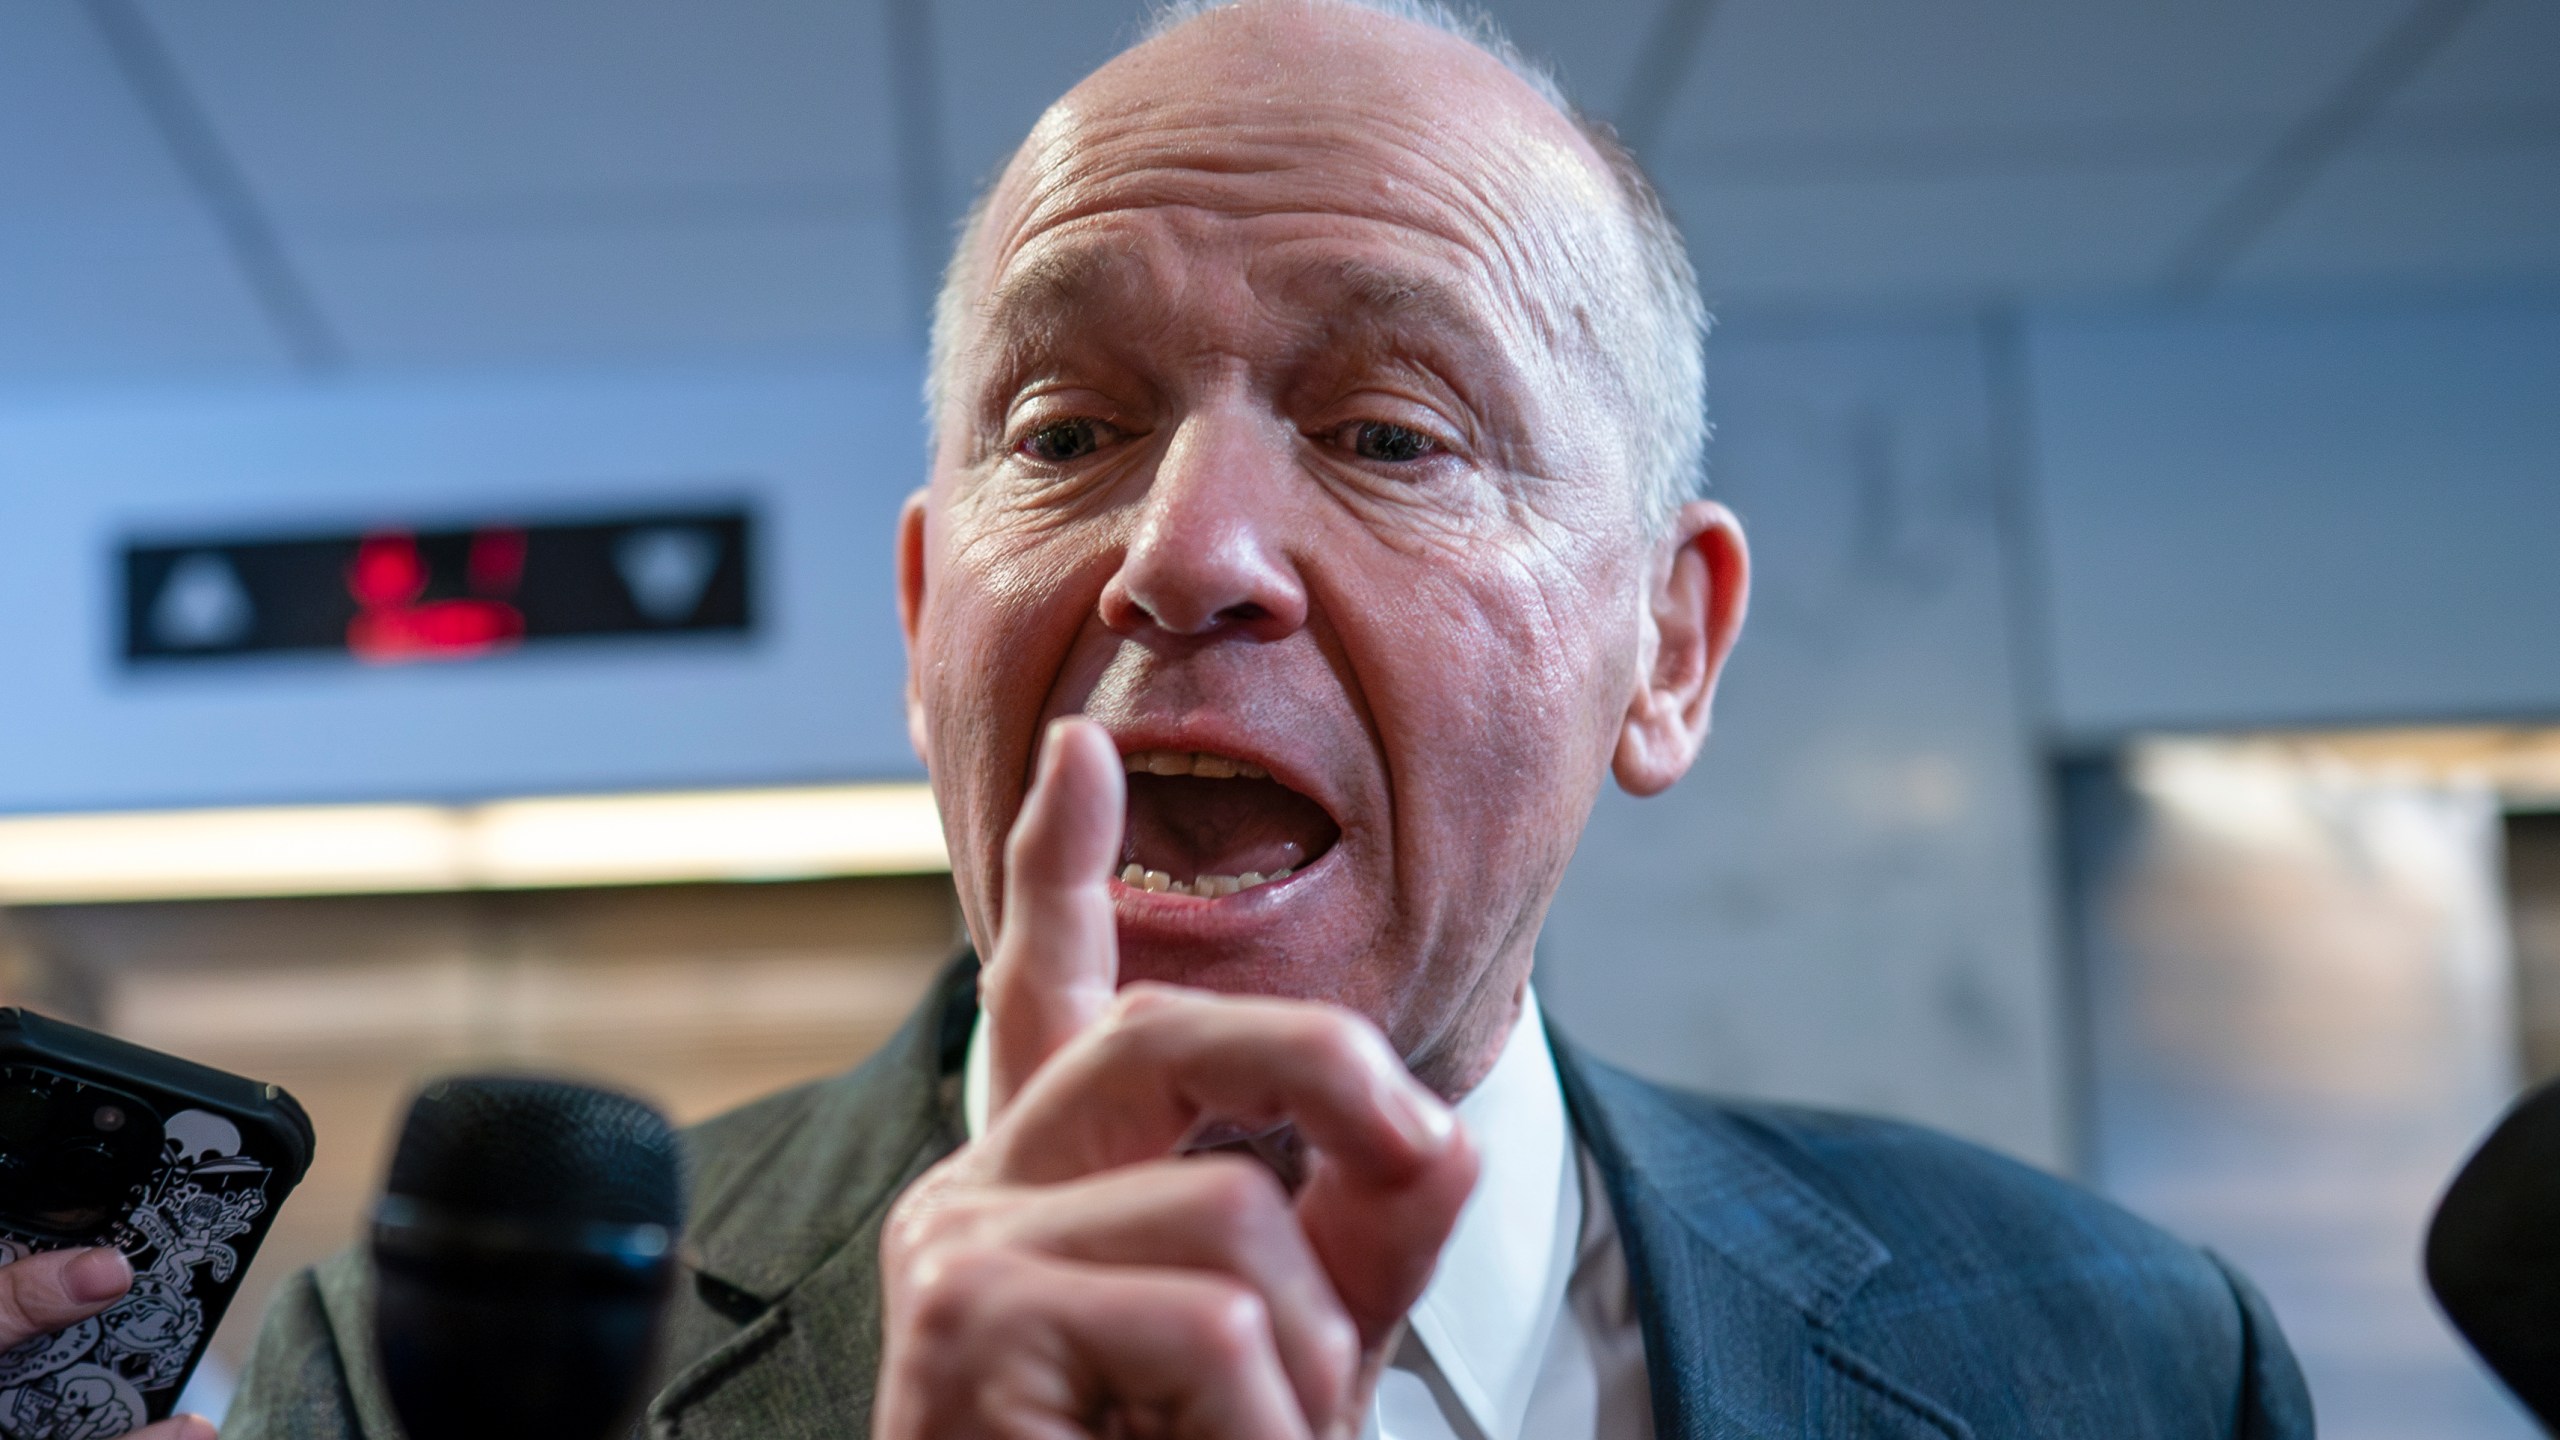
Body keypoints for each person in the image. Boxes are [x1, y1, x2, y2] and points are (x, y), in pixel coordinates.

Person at [205, 1, 2311, 1435]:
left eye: (1390, 433)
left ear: (1666, 649)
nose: (1185, 550)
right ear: (931, 612)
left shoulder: (2116, 1359)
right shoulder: (409, 1378)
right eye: (1070, 426)